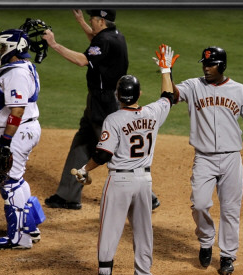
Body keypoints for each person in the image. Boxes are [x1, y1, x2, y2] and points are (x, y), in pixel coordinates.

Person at [71, 45, 178, 275]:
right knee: (143, 233)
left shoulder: (114, 119)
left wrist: (85, 169)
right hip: (144, 184)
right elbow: (168, 97)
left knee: (109, 230)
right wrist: (165, 69)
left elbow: (102, 154)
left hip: (119, 182)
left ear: (117, 96)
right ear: (139, 94)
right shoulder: (153, 113)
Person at [42, 9, 161, 210]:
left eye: (92, 19)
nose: (90, 21)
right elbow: (95, 40)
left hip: (104, 102)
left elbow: (82, 60)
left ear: (101, 21)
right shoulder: (115, 36)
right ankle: (68, 196)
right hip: (98, 100)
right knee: (82, 143)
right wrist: (80, 21)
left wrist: (54, 44)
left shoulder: (105, 40)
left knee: (114, 150)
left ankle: (147, 196)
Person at [172, 46, 243, 275]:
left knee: (230, 209)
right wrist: (166, 72)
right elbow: (172, 95)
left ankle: (228, 255)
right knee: (199, 204)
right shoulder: (193, 86)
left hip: (231, 159)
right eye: (205, 64)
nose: (207, 68)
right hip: (204, 158)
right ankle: (206, 240)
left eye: (212, 64)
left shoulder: (240, 90)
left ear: (223, 66)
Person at [0, 28, 46, 249]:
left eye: (3, 47)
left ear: (13, 49)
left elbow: (17, 110)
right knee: (14, 180)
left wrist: (5, 143)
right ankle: (30, 225)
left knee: (9, 183)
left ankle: (20, 238)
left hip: (16, 131)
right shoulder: (21, 66)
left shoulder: (15, 73)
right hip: (22, 129)